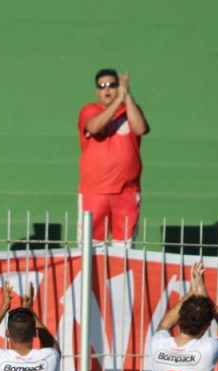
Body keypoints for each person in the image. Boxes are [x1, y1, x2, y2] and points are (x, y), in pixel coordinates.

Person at [78, 68, 150, 244]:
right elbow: (94, 128)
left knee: (125, 246)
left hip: (127, 191)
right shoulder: (89, 109)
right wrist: (118, 100)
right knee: (90, 245)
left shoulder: (131, 109)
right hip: (95, 191)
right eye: (102, 86)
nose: (107, 89)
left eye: (112, 85)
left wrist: (127, 97)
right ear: (97, 91)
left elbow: (140, 128)